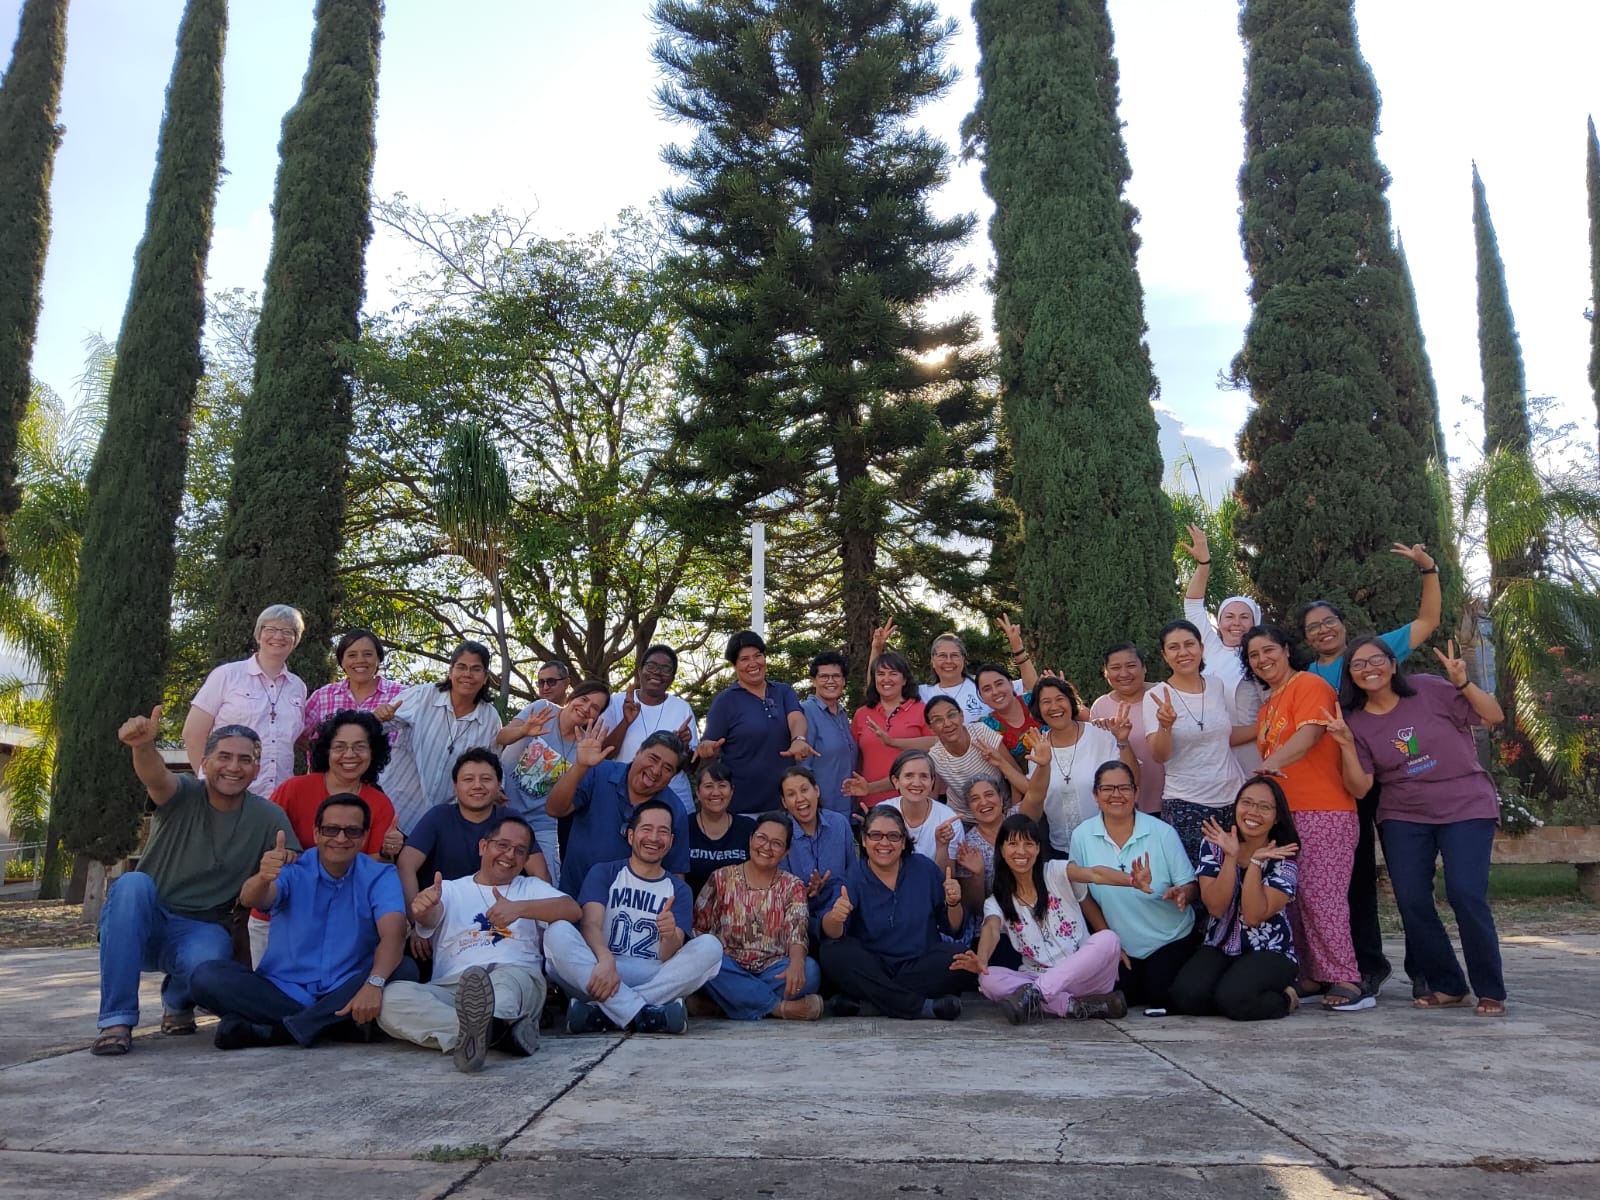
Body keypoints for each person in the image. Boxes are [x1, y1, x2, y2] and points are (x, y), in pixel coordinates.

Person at [92, 709, 297, 1057]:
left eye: (245, 760)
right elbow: (156, 777)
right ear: (205, 763)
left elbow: (288, 865)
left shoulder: (269, 817)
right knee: (132, 885)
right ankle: (116, 1021)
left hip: (202, 929)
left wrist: (279, 864)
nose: (234, 767)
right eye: (224, 757)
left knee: (212, 954)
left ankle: (177, 1002)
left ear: (257, 769)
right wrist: (142, 746)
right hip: (144, 920)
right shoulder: (183, 793)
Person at [1328, 636, 1509, 1016]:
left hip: (1465, 805)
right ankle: (1448, 984)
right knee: (1411, 901)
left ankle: (1490, 988)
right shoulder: (1355, 721)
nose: (1369, 668)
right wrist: (1345, 744)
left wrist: (1463, 681)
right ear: (1351, 676)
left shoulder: (1429, 688)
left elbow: (1494, 716)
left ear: (1393, 664)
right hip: (1404, 815)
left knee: (1465, 894)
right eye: (1358, 664)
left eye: (1376, 660)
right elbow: (1360, 787)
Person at [1297, 541, 1440, 998]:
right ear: (1306, 638)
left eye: (1328, 622)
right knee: (1355, 882)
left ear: (1343, 624)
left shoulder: (1371, 653)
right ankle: (1366, 966)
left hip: (1394, 780)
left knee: (1410, 877)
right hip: (1345, 786)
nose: (1323, 630)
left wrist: (1429, 570)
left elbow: (1427, 622)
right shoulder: (1305, 676)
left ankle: (1426, 969)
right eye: (1313, 627)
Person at [187, 794, 411, 1049]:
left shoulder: (380, 875)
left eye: (352, 831)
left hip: (347, 988)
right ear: (316, 833)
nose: (340, 838)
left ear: (364, 836)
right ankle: (334, 1025)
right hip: (283, 990)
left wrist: (374, 983)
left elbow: (393, 933)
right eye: (331, 830)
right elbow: (253, 898)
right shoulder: (294, 868)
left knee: (405, 968)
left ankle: (282, 1031)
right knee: (206, 977)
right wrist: (262, 878)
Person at [379, 815, 582, 1071]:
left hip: (513, 974)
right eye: (503, 845)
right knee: (390, 999)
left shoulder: (530, 887)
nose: (510, 855)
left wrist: (519, 909)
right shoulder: (450, 889)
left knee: (504, 993)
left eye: (520, 851)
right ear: (483, 846)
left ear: (525, 860)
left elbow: (572, 909)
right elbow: (431, 917)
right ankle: (501, 1033)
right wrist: (422, 909)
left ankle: (478, 1033)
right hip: (453, 987)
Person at [1242, 623, 1369, 1011]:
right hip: (1287, 813)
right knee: (1292, 897)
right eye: (1253, 655)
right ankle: (1312, 974)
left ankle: (1345, 976)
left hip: (1324, 809)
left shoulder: (1311, 685)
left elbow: (1310, 734)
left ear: (1285, 649)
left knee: (1322, 897)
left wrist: (1271, 764)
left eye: (1268, 650)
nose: (1262, 659)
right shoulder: (1268, 705)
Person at [544, 800, 724, 1034]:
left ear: (671, 841)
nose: (654, 838)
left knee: (711, 946)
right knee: (557, 932)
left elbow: (668, 954)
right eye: (646, 829)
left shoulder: (678, 889)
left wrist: (669, 935)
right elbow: (591, 924)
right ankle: (644, 1014)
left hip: (653, 976)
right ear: (631, 836)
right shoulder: (605, 872)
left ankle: (604, 1013)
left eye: (663, 832)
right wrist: (605, 959)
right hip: (600, 971)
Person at [956, 813, 1147, 1023]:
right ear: (1001, 849)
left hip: (1086, 977)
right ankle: (1074, 1006)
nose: (1021, 851)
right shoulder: (997, 900)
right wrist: (982, 959)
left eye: (1028, 844)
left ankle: (1036, 995)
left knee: (1108, 939)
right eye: (1013, 844)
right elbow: (991, 928)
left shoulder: (1055, 871)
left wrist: (1131, 880)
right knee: (988, 978)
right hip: (1037, 974)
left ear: (1038, 848)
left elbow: (1095, 874)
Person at [252, 710, 401, 966]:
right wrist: (279, 855)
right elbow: (260, 844)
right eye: (340, 747)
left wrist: (388, 852)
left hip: (342, 924)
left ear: (373, 752)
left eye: (360, 747)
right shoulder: (293, 790)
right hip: (279, 914)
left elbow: (374, 871)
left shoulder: (380, 804)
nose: (350, 755)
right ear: (326, 751)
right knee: (271, 988)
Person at [820, 805, 974, 1020]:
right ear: (864, 840)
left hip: (917, 965)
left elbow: (953, 928)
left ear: (903, 842)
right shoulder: (854, 875)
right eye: (876, 835)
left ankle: (871, 1005)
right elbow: (833, 932)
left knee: (961, 958)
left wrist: (954, 903)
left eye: (893, 836)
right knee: (831, 952)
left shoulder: (924, 868)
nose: (884, 843)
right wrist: (835, 918)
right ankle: (921, 1007)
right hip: (872, 966)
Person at [1168, 778, 1303, 1021]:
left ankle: (1287, 997)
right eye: (1246, 803)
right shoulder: (1215, 845)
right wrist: (1230, 858)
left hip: (1269, 949)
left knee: (1235, 1000)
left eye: (1264, 807)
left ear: (1277, 817)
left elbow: (1252, 916)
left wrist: (1255, 863)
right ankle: (1233, 989)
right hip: (1220, 943)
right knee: (1187, 997)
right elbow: (1216, 908)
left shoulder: (1284, 856)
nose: (1253, 812)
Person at [1070, 762, 1200, 1010]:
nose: (1116, 795)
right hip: (1121, 945)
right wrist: (1109, 943)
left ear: (1136, 792)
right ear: (1096, 795)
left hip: (1169, 938)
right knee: (1122, 996)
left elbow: (1190, 885)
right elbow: (1082, 895)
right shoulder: (1082, 836)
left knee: (1163, 997)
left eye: (1124, 788)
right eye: (1107, 788)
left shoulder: (1162, 832)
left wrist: (1182, 893)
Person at [398, 748, 547, 959]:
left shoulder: (511, 820)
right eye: (468, 779)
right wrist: (418, 922)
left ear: (499, 784)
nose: (477, 785)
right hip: (444, 917)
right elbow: (406, 864)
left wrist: (540, 926)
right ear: (455, 786)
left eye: (486, 779)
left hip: (503, 918)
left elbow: (540, 874)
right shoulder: (439, 817)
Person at [692, 812, 823, 1020]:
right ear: (751, 839)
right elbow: (697, 929)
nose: (766, 847)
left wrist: (797, 963)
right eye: (762, 838)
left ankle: (725, 1005)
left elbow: (797, 931)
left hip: (772, 968)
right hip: (727, 966)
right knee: (704, 960)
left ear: (786, 852)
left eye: (776, 843)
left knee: (810, 970)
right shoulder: (721, 877)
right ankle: (779, 1008)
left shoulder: (792, 885)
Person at [1145, 620, 1249, 864]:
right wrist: (1165, 725)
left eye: (1189, 644)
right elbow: (1160, 755)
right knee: (1196, 879)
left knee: (1236, 875)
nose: (1183, 652)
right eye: (1174, 647)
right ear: (1164, 655)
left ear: (1201, 648)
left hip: (1234, 799)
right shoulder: (1156, 697)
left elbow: (1221, 735)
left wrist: (1264, 727)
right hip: (1187, 804)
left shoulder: (1216, 685)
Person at [545, 723, 692, 896]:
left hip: (632, 908)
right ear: (638, 752)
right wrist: (580, 766)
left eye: (667, 768)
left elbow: (675, 871)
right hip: (573, 899)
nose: (656, 770)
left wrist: (676, 909)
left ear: (673, 777)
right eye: (653, 758)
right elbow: (554, 809)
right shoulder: (599, 772)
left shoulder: (675, 810)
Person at [375, 641, 506, 833]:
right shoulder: (423, 695)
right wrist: (379, 717)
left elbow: (491, 768)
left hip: (441, 824)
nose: (467, 674)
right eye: (461, 667)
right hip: (394, 805)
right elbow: (376, 727)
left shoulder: (490, 719)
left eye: (476, 669)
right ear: (451, 671)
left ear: (486, 677)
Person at [184, 604, 307, 802]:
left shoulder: (298, 687)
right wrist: (210, 783)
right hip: (227, 797)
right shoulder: (227, 675)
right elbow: (193, 733)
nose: (278, 636)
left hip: (279, 798)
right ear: (258, 635)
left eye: (287, 631)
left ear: (295, 640)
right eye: (270, 629)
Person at [499, 678, 610, 887]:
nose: (586, 708)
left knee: (550, 884)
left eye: (595, 707)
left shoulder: (585, 746)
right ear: (572, 696)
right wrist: (523, 730)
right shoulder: (544, 709)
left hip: (541, 821)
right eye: (584, 699)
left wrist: (582, 765)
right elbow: (501, 737)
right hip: (501, 804)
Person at [1177, 524, 1266, 772]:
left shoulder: (1265, 659)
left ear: (1255, 623)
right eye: (1229, 616)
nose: (1236, 623)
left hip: (1253, 749)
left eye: (1244, 617)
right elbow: (1193, 605)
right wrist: (1203, 564)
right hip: (1210, 753)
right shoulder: (1210, 649)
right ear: (1220, 622)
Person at [697, 630, 817, 813]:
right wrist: (707, 749)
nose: (753, 663)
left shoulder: (783, 691)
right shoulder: (725, 702)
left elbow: (796, 718)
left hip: (784, 806)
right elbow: (709, 746)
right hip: (742, 808)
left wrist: (799, 739)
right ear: (735, 665)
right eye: (744, 659)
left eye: (758, 656)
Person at [1020, 677, 1136, 856]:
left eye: (1060, 699)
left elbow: (1133, 781)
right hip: (1062, 850)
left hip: (1111, 844)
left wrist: (1123, 741)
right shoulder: (1039, 748)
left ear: (1071, 702)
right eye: (1046, 702)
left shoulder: (1100, 736)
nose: (1054, 707)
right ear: (1038, 709)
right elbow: (1033, 806)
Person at [871, 614, 1039, 719]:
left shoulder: (983, 686)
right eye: (942, 656)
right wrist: (876, 649)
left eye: (955, 655)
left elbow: (1031, 688)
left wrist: (1017, 647)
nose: (949, 661)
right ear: (933, 661)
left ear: (963, 660)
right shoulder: (921, 693)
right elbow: (878, 689)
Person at [603, 644, 700, 811]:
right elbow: (604, 754)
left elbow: (690, 768)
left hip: (673, 800)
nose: (657, 672)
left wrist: (683, 747)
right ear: (640, 671)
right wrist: (626, 722)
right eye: (651, 666)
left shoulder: (682, 708)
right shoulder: (617, 702)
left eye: (665, 669)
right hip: (624, 797)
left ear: (672, 678)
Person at [776, 766, 856, 942]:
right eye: (791, 794)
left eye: (804, 790)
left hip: (840, 913)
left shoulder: (839, 823)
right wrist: (803, 892)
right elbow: (778, 894)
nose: (800, 799)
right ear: (784, 802)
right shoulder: (779, 834)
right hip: (798, 920)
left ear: (817, 791)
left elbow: (852, 873)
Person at [298, 629, 406, 758]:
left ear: (378, 658)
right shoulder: (323, 696)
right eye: (352, 655)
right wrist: (323, 756)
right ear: (342, 662)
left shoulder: (402, 695)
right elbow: (297, 732)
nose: (360, 660)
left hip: (390, 772)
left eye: (367, 654)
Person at [849, 651, 933, 805]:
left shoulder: (922, 710)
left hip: (912, 802)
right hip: (870, 801)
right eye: (881, 674)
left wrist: (893, 742)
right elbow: (856, 757)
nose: (886, 679)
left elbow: (937, 745)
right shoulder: (862, 714)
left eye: (893, 674)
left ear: (904, 679)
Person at [1090, 644, 1164, 816]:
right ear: (1106, 672)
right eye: (1115, 668)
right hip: (1124, 805)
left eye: (1131, 666)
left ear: (1144, 667)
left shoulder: (1163, 694)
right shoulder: (1101, 707)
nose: (1124, 674)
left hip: (1172, 798)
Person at [870, 749, 966, 869]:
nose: (916, 783)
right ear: (896, 781)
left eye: (924, 776)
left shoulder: (948, 820)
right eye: (909, 776)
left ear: (932, 782)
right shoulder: (881, 813)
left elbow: (947, 876)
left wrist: (942, 846)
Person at [924, 695, 1010, 819]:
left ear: (961, 715)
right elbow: (931, 797)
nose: (947, 723)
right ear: (931, 728)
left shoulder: (981, 732)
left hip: (1002, 810)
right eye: (938, 720)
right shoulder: (935, 757)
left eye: (951, 715)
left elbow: (1014, 773)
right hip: (964, 818)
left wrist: (1014, 811)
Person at [800, 651, 858, 817]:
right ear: (813, 680)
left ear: (843, 681)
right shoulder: (806, 712)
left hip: (847, 808)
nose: (831, 681)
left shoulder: (842, 714)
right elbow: (803, 767)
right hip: (821, 811)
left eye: (836, 676)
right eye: (824, 676)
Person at [686, 763, 754, 896]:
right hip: (690, 906)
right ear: (698, 792)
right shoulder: (684, 827)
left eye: (722, 786)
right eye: (708, 786)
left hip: (738, 906)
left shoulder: (748, 828)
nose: (716, 792)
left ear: (732, 791)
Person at [974, 662, 1044, 775]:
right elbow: (1013, 773)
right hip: (1030, 782)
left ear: (1011, 684)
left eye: (999, 684)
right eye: (987, 689)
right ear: (982, 697)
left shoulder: (1035, 700)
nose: (995, 692)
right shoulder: (987, 727)